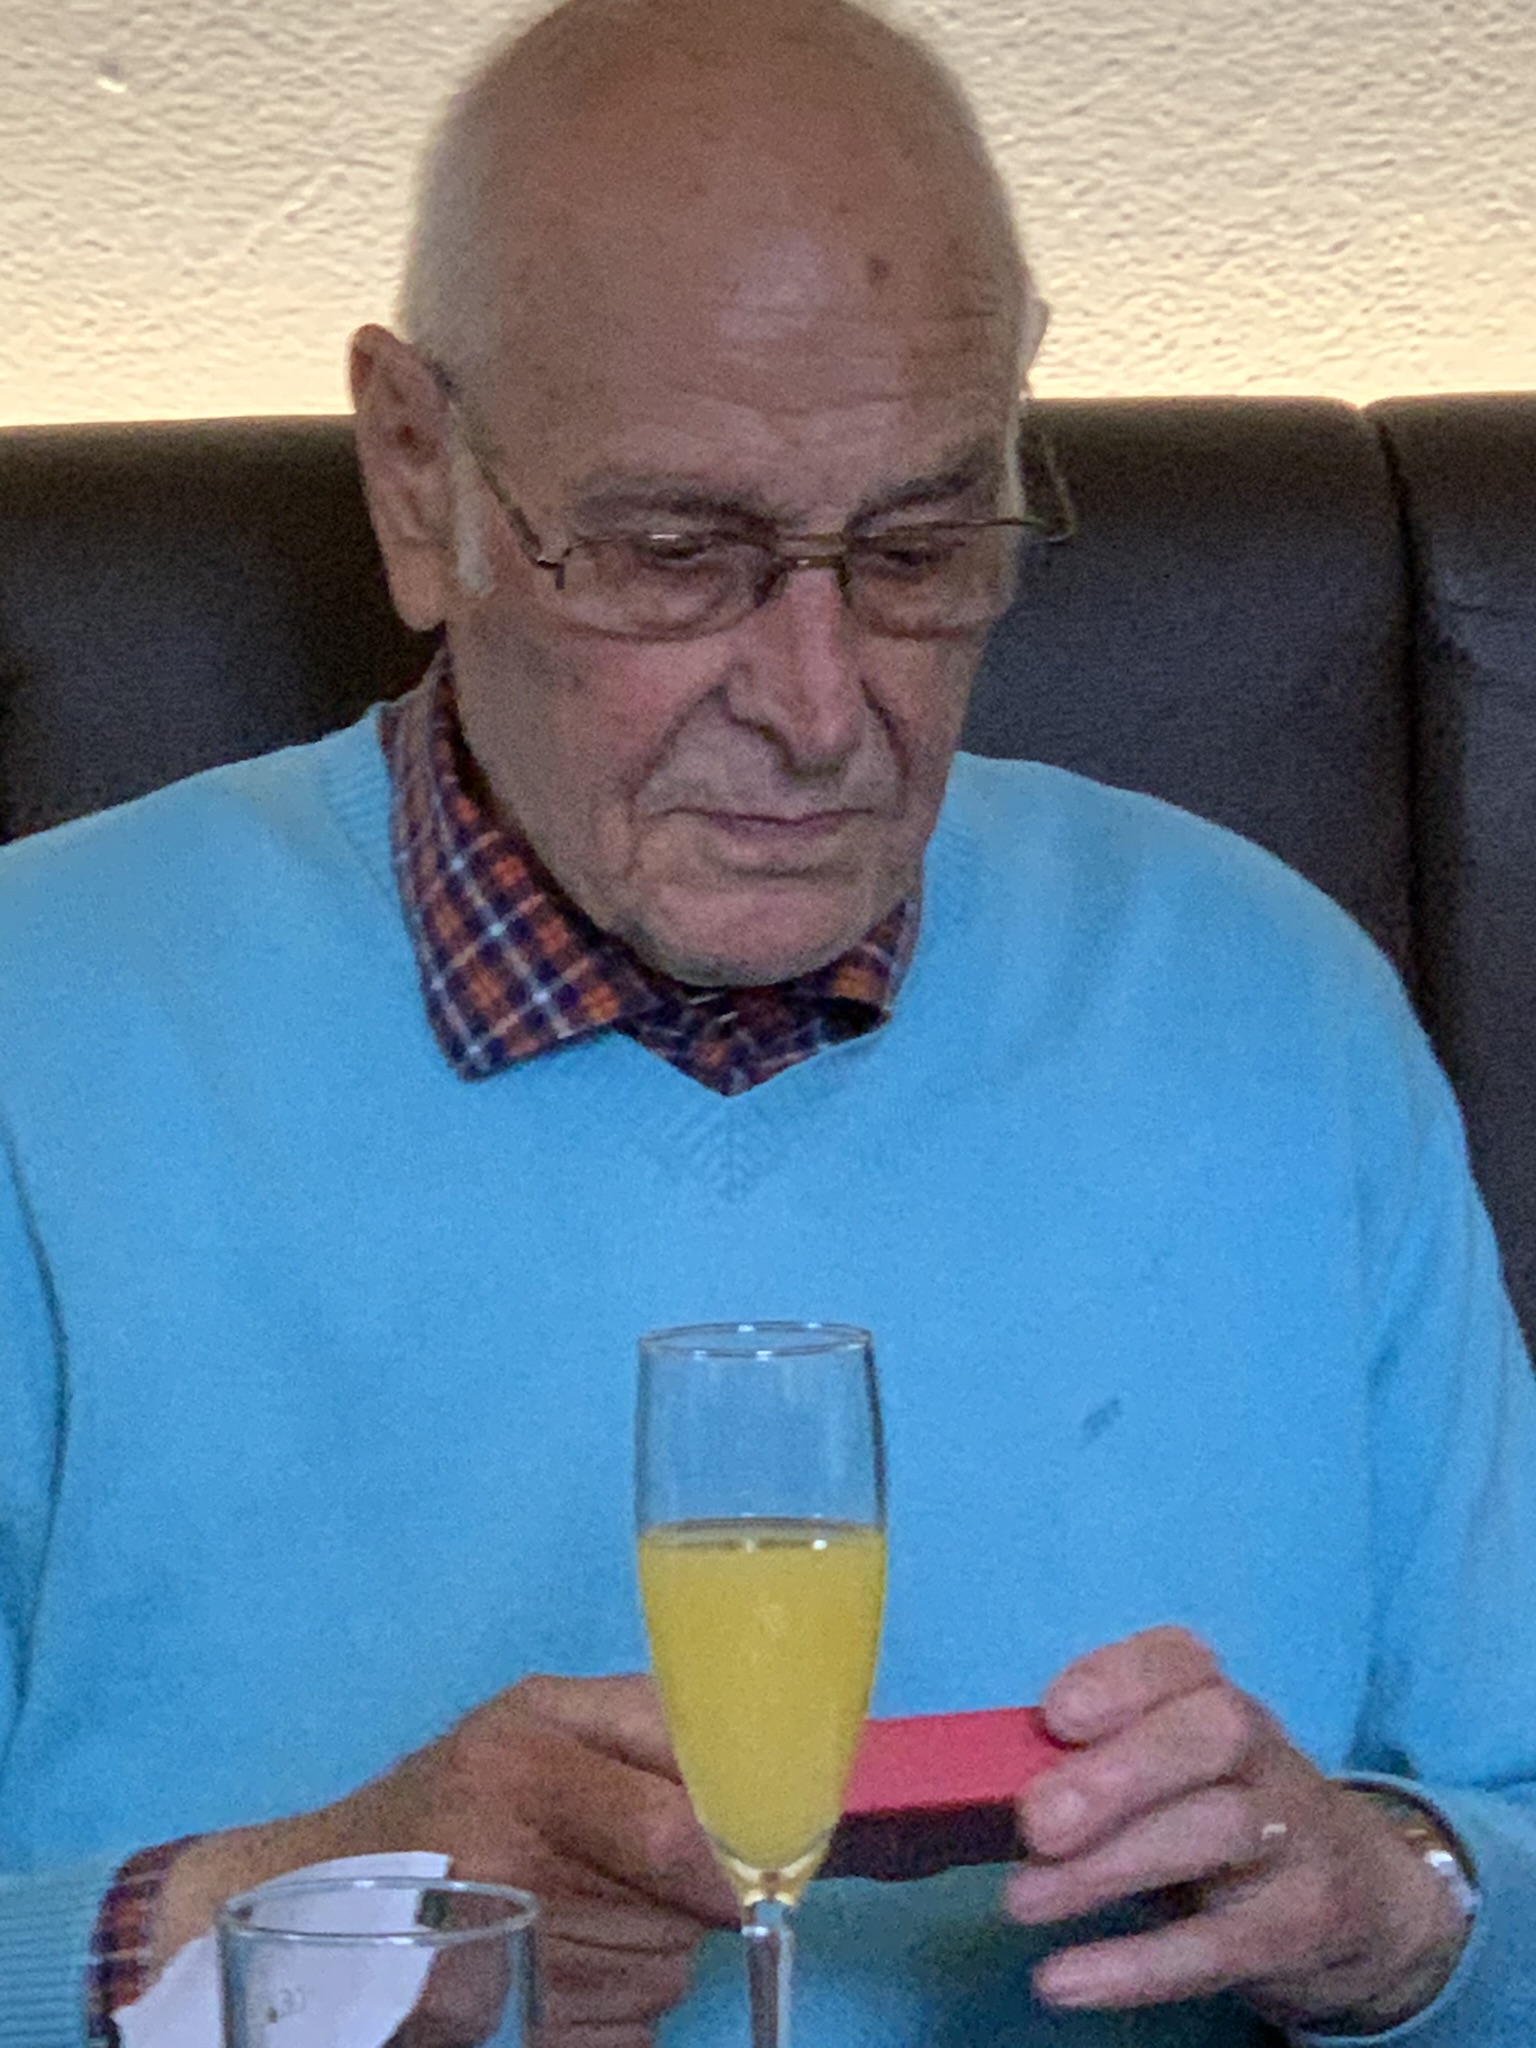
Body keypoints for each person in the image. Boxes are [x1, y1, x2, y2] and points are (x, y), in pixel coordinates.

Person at [1, 0, 1534, 2043]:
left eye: (917, 552)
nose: (821, 711)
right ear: (418, 480)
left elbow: (1506, 1820)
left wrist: (1403, 1910)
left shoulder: (1276, 1002)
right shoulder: (43, 1033)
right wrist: (246, 1936)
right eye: (674, 555)